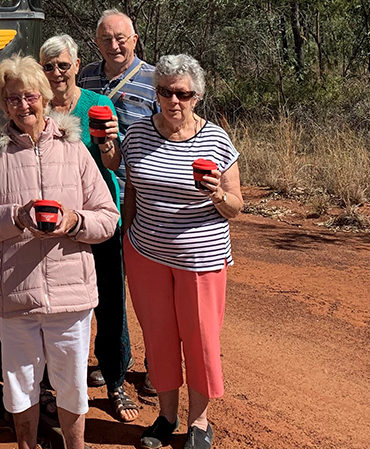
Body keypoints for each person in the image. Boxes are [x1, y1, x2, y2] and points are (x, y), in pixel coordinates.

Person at [0, 54, 119, 449]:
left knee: (71, 384)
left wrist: (73, 223)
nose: (23, 106)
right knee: (20, 385)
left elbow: (108, 216)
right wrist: (16, 217)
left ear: (45, 97)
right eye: (13, 98)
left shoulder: (76, 150)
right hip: (13, 293)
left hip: (70, 293)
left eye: (30, 96)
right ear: (3, 103)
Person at [122, 54, 243, 449]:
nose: (174, 101)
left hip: (200, 260)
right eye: (165, 91)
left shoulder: (216, 140)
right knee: (158, 336)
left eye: (183, 94)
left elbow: (236, 207)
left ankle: (200, 422)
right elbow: (133, 194)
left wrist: (218, 194)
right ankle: (167, 417)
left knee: (201, 339)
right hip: (147, 255)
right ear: (156, 92)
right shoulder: (137, 134)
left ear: (197, 97)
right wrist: (127, 240)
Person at [40, 35, 138, 422]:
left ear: (78, 65)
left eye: (63, 65)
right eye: (49, 67)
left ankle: (115, 379)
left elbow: (113, 163)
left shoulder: (98, 105)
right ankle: (51, 385)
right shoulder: (36, 106)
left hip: (97, 215)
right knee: (57, 303)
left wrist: (111, 142)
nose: (57, 73)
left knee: (110, 299)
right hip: (53, 221)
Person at [78, 8, 158, 394]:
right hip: (99, 195)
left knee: (147, 285)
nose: (115, 45)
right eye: (107, 39)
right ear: (97, 44)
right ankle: (114, 359)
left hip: (142, 196)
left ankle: (157, 364)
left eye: (122, 38)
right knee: (108, 283)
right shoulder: (86, 77)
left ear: (135, 38)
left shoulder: (156, 80)